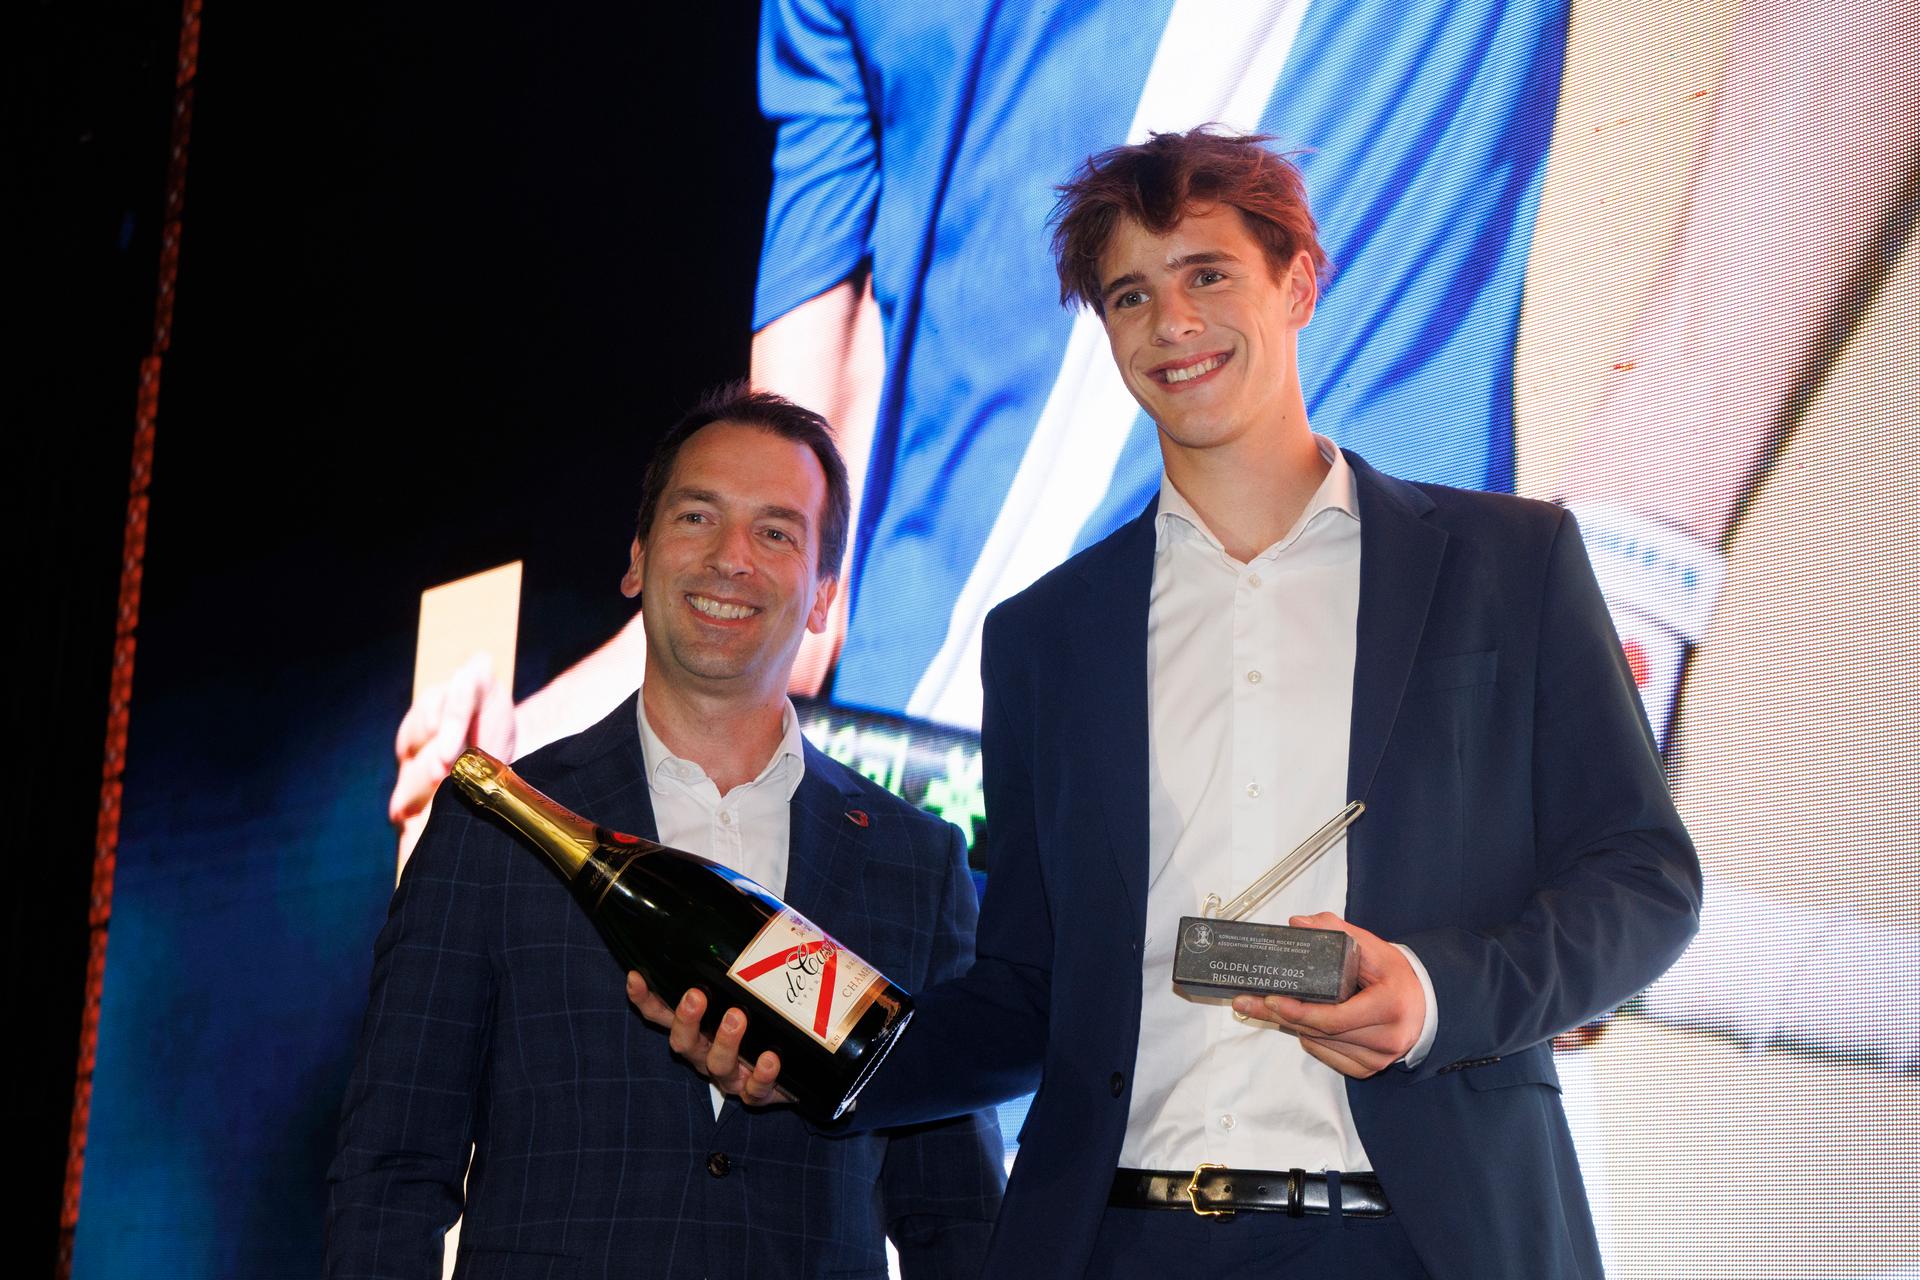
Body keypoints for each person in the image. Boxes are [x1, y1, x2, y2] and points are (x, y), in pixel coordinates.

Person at [637, 131, 1702, 1277]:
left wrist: (1436, 991)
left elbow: (1644, 878)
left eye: (1207, 274)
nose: (1172, 322)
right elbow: (1031, 994)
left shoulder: (1510, 562)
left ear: (1298, 282)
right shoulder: (1047, 636)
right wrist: (807, 1056)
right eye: (1130, 295)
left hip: (1426, 1239)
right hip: (1124, 1240)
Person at [327, 385, 1004, 1279]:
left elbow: (955, 1216)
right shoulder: (499, 826)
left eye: (776, 533)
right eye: (697, 517)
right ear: (637, 560)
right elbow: (391, 1170)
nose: (731, 559)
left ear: (824, 598)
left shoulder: (914, 862)